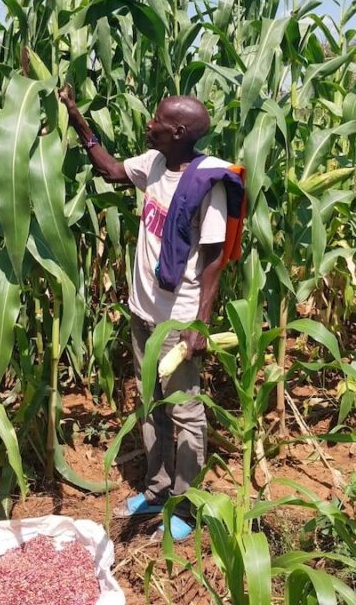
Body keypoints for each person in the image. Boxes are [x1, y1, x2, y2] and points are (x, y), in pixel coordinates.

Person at [58, 88, 245, 542]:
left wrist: (198, 326)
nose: (149, 122)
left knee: (183, 411)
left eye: (158, 119)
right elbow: (112, 170)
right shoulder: (156, 163)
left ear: (179, 132)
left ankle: (186, 502)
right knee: (149, 406)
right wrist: (77, 117)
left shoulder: (207, 185)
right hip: (143, 311)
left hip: (179, 319)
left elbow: (215, 260)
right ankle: (158, 490)